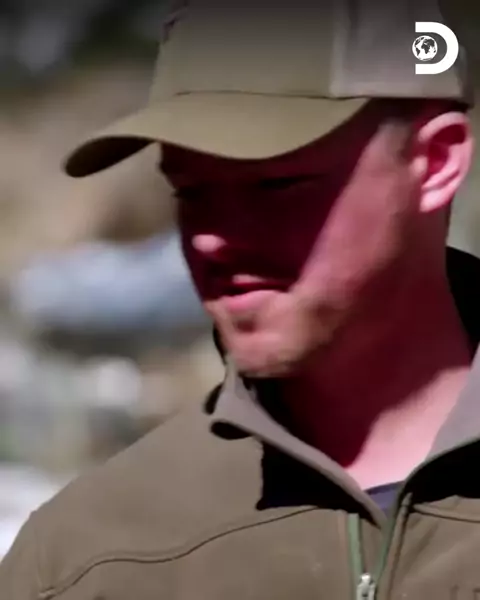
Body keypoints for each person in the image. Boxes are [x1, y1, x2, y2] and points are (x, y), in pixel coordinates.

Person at [1, 0, 479, 598]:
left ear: (435, 162)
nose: (213, 238)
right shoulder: (85, 561)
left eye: (275, 183)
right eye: (191, 192)